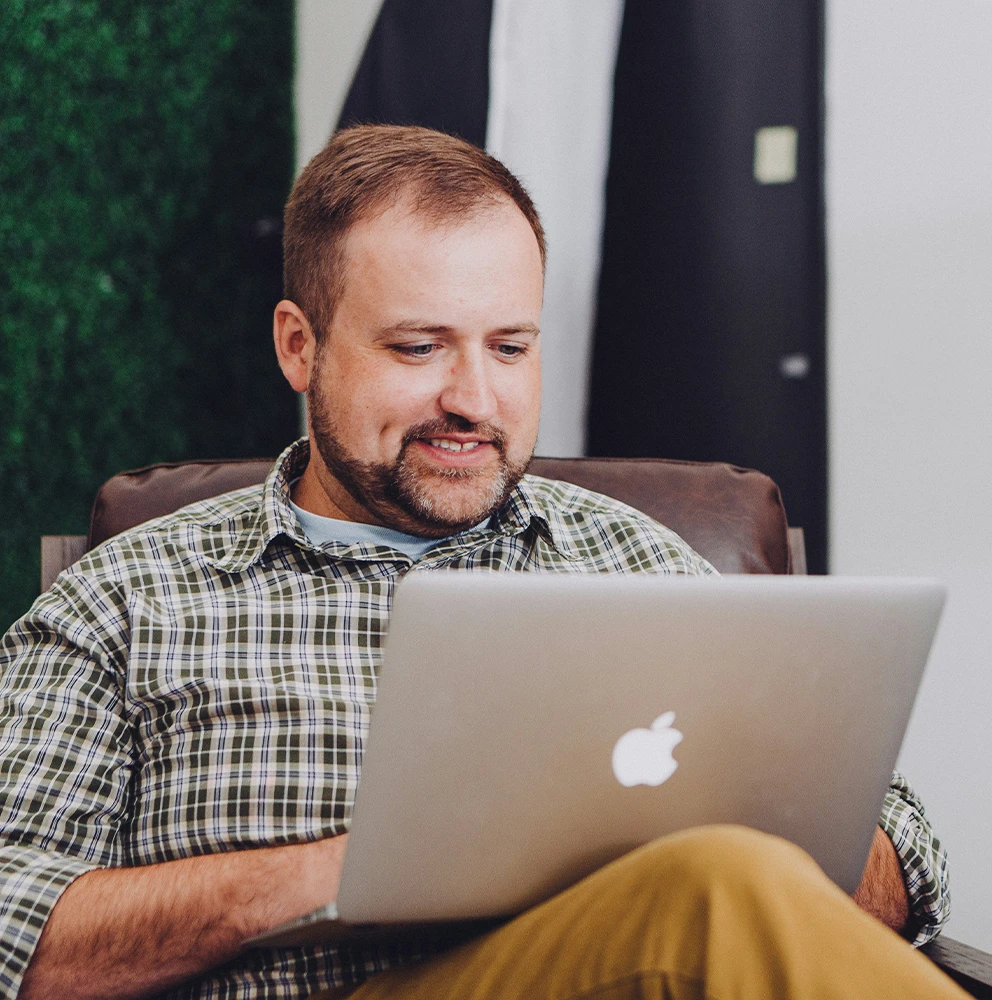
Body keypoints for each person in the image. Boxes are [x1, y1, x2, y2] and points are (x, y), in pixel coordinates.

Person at [0, 125, 960, 1000]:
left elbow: (904, 853)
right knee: (720, 890)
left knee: (723, 883)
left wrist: (689, 839)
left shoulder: (632, 560)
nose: (475, 397)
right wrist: (347, 870)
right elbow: (13, 921)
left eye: (510, 347)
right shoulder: (132, 597)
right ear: (301, 347)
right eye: (419, 347)